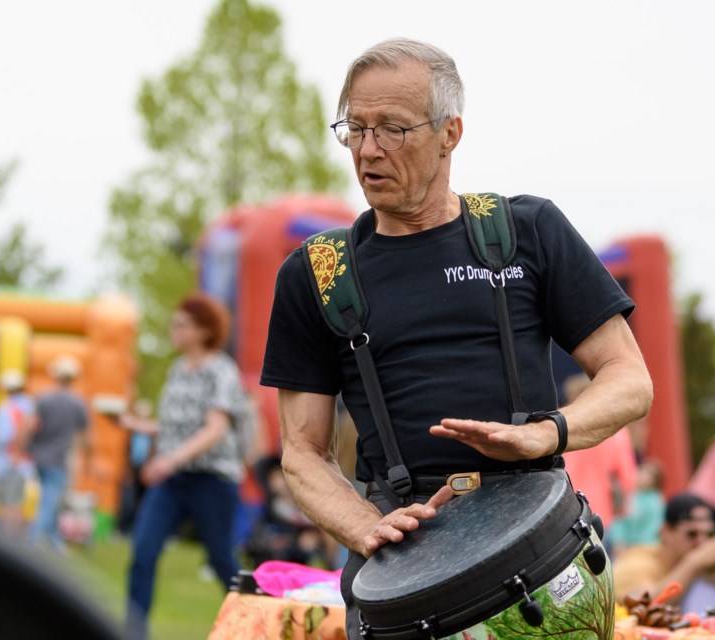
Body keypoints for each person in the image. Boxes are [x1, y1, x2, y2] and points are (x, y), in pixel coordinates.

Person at [260, 38, 653, 638]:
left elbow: (629, 379)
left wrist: (544, 433)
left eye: (392, 129)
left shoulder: (529, 231)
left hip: (541, 539)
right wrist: (365, 526)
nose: (368, 151)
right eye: (355, 129)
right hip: (399, 557)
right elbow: (302, 450)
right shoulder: (316, 273)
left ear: (450, 133)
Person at [121, 294, 249, 640]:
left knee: (222, 561)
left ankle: (257, 625)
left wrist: (168, 460)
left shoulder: (220, 370)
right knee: (143, 551)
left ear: (203, 330)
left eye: (180, 324)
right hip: (174, 480)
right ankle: (133, 632)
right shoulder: (177, 370)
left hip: (212, 479)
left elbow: (214, 428)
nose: (172, 330)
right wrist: (136, 424)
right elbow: (175, 425)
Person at [612, 493, 715, 604]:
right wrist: (695, 561)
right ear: (665, 531)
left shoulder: (692, 562)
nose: (702, 543)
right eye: (692, 534)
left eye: (707, 534)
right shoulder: (639, 561)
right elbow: (644, 605)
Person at [27, 355, 91, 552]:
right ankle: (33, 540)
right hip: (59, 458)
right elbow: (85, 437)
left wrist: (25, 448)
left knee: (50, 497)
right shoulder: (78, 403)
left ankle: (55, 542)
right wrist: (87, 460)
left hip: (39, 455)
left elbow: (31, 426)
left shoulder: (43, 398)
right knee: (51, 499)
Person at [561, 373, 639, 531]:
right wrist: (623, 506)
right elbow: (628, 477)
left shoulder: (557, 427)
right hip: (599, 511)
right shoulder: (615, 430)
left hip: (562, 506)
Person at [0, 369, 37, 537]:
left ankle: (11, 538)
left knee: (9, 502)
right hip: (17, 460)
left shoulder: (11, 407)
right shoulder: (27, 405)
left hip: (8, 459)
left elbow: (6, 434)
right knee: (14, 501)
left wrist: (15, 452)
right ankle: (16, 537)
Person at [608, 459, 666, 555]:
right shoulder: (632, 495)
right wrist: (618, 540)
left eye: (648, 475)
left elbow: (653, 528)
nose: (642, 477)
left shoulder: (656, 501)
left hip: (644, 547)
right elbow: (620, 520)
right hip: (625, 545)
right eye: (642, 472)